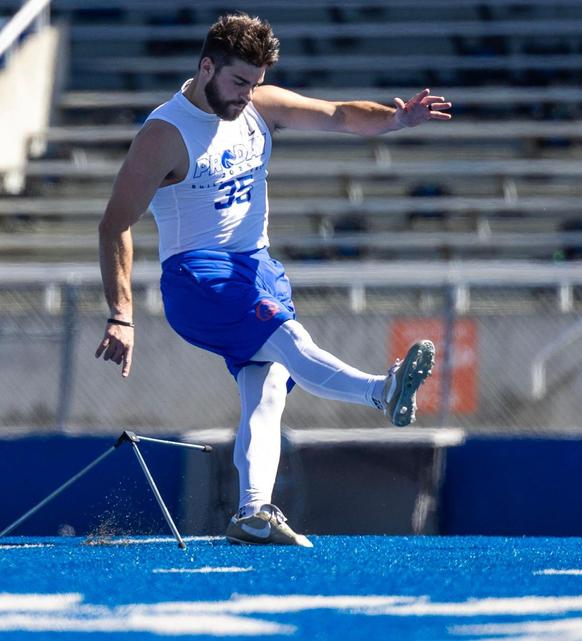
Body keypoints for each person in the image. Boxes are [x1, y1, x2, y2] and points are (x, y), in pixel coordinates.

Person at [94, 13, 452, 547]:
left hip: (257, 269)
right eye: (239, 82)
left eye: (255, 84)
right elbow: (114, 222)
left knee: (265, 389)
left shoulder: (256, 104)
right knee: (288, 342)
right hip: (199, 277)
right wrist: (121, 314)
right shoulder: (165, 134)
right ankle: (381, 391)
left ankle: (253, 511)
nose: (246, 96)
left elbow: (337, 115)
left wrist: (398, 120)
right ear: (206, 66)